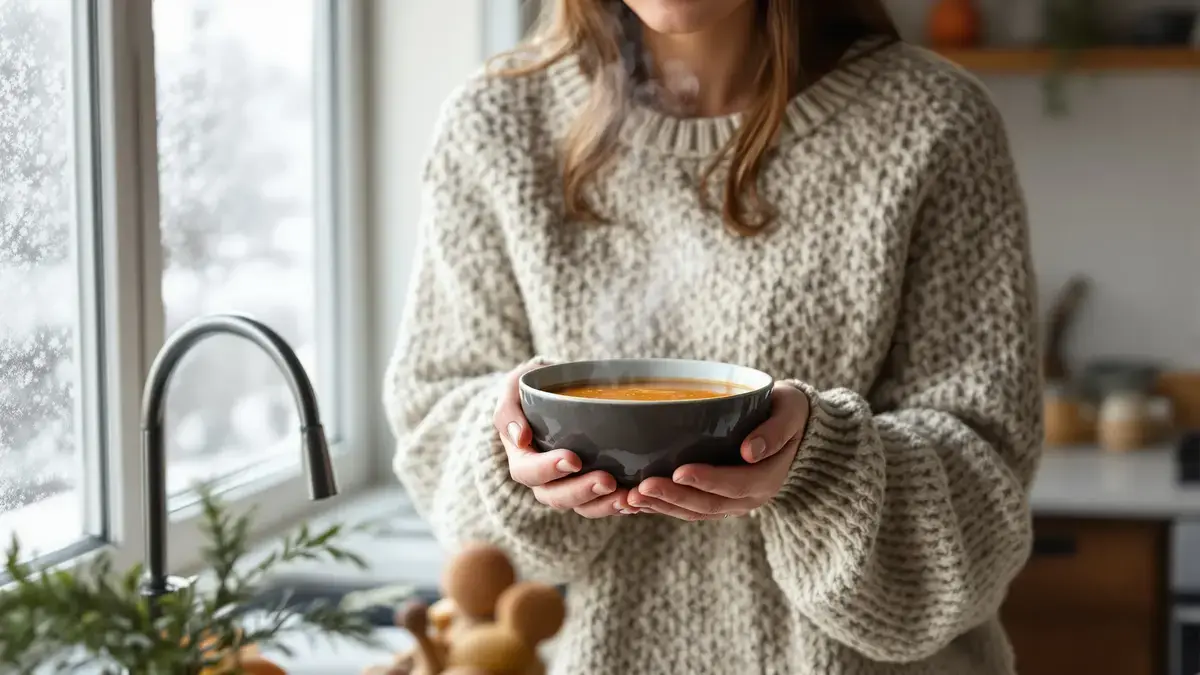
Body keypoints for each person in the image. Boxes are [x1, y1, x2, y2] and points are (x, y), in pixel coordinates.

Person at [383, 0, 1041, 673]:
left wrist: (823, 465)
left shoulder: (933, 122)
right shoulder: (495, 128)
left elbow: (986, 502)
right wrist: (513, 455)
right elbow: (438, 437)